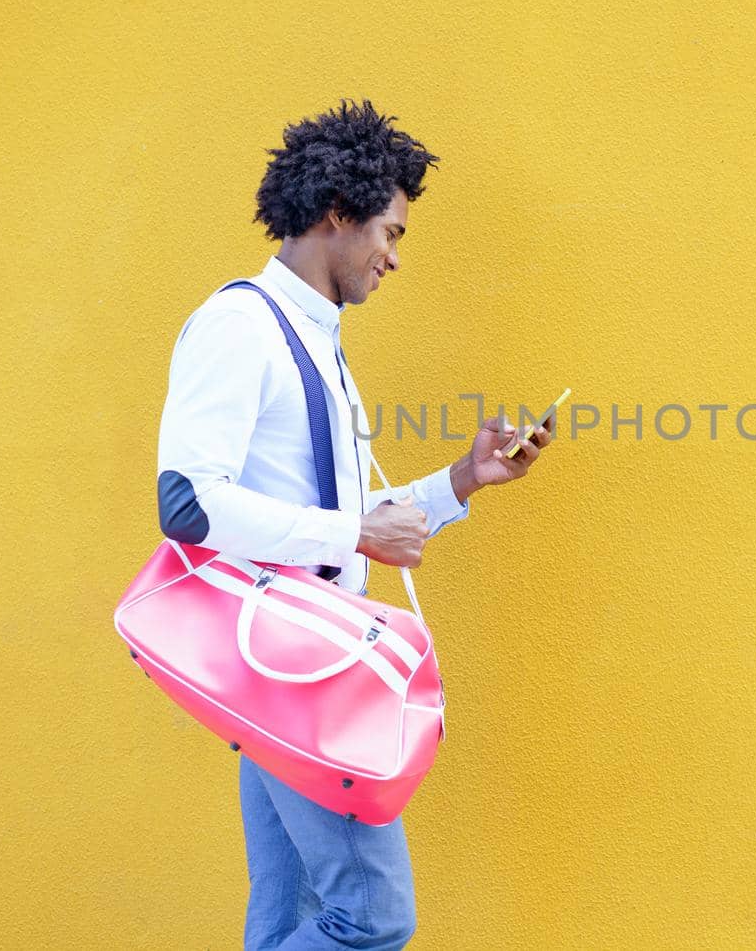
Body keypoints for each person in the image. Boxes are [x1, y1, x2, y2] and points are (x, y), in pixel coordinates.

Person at [154, 99, 553, 950]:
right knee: (371, 919)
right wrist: (353, 538)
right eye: (391, 232)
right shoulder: (239, 326)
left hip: (288, 670)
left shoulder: (316, 339)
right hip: (298, 678)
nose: (394, 258)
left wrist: (462, 480)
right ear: (336, 215)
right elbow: (187, 503)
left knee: (292, 919)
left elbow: (345, 519)